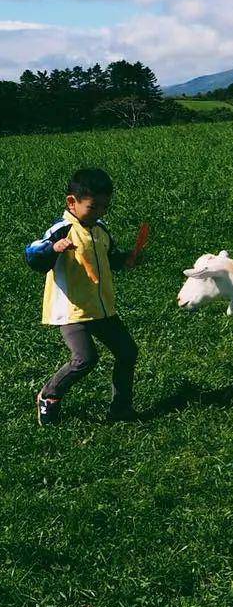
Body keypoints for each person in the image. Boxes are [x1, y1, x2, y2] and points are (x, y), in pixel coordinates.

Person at [25, 168, 140, 425]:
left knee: (127, 351)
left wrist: (125, 260)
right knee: (85, 358)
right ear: (72, 202)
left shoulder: (100, 230)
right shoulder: (62, 230)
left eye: (104, 207)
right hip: (72, 310)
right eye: (93, 206)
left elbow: (109, 259)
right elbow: (33, 256)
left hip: (101, 309)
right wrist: (54, 248)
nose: (99, 212)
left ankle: (121, 408)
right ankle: (49, 396)